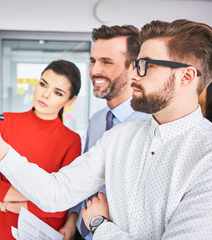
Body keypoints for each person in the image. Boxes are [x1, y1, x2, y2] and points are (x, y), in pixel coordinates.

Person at [0, 19, 212, 239]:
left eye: (145, 65)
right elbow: (56, 193)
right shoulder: (119, 138)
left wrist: (100, 226)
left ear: (187, 77)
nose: (134, 76)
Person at [0, 60, 82, 240]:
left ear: (70, 100)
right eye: (43, 84)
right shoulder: (5, 121)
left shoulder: (71, 141)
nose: (45, 94)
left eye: (58, 92)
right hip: (1, 226)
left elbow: (60, 210)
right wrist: (41, 195)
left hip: (39, 231)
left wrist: (4, 201)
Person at [59, 24, 150, 240]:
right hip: (82, 232)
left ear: (135, 68)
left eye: (106, 62)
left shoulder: (152, 125)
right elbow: (85, 179)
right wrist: (73, 219)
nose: (94, 71)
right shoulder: (96, 121)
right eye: (93, 61)